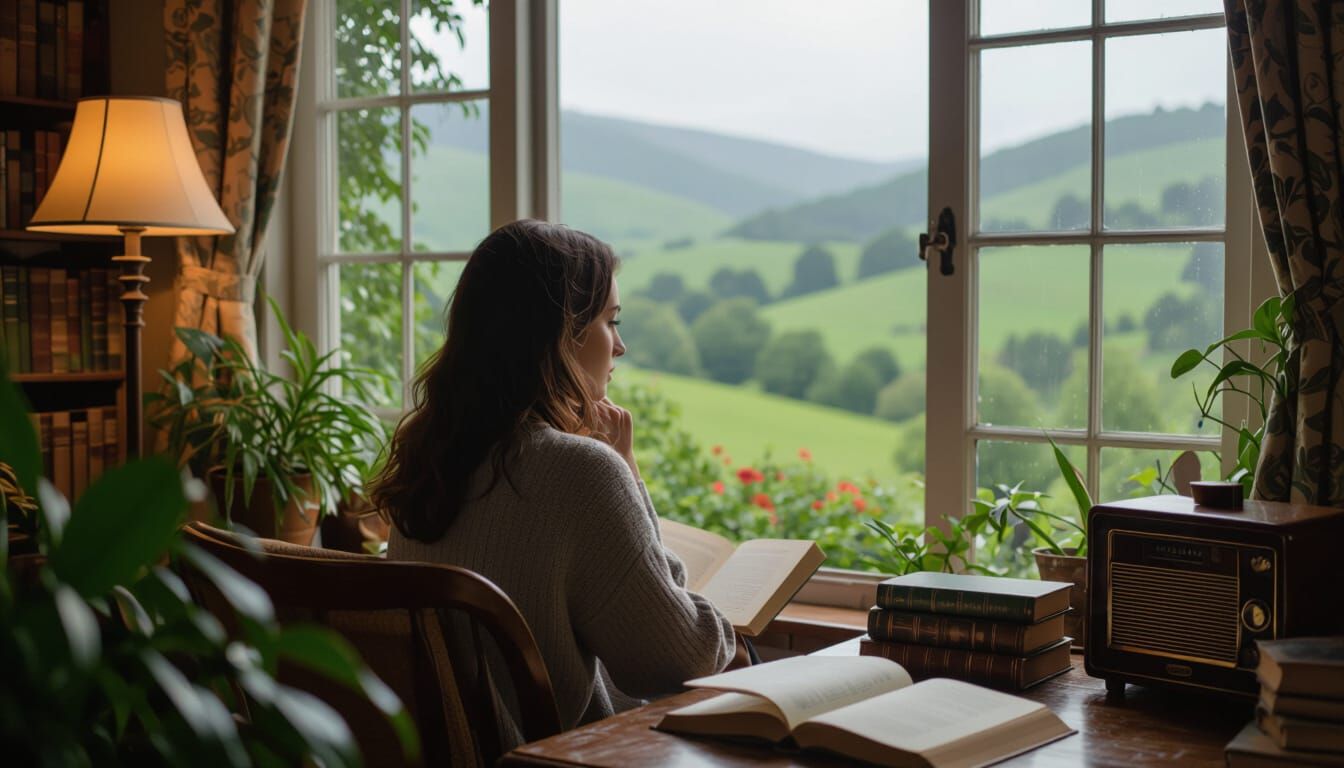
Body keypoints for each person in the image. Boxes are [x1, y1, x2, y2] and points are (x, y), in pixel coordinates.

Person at [371, 219, 736, 738]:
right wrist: (627, 473)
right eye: (611, 321)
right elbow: (680, 659)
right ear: (562, 334)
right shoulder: (581, 470)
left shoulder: (430, 454)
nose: (620, 346)